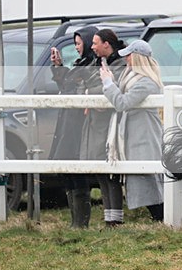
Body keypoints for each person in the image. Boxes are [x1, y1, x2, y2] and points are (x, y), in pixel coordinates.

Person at [100, 40, 165, 222]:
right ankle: (160, 218)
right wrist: (111, 82)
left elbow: (122, 103)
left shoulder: (146, 82)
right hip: (135, 135)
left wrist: (107, 84)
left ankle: (162, 218)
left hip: (143, 136)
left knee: (147, 179)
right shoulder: (134, 78)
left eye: (129, 55)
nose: (126, 59)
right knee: (143, 179)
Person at [49, 26, 97, 228]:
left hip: (80, 125)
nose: (77, 47)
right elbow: (67, 87)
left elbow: (77, 89)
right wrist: (59, 67)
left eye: (79, 43)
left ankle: (81, 222)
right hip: (69, 123)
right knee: (68, 170)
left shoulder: (93, 65)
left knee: (77, 171)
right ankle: (75, 221)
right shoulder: (81, 64)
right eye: (75, 43)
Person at [82, 28, 127, 227]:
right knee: (101, 171)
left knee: (111, 171)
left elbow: (108, 88)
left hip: (109, 124)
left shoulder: (120, 64)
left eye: (95, 42)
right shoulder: (100, 62)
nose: (92, 46)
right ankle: (109, 217)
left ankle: (115, 219)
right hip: (95, 123)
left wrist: (86, 92)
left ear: (106, 44)